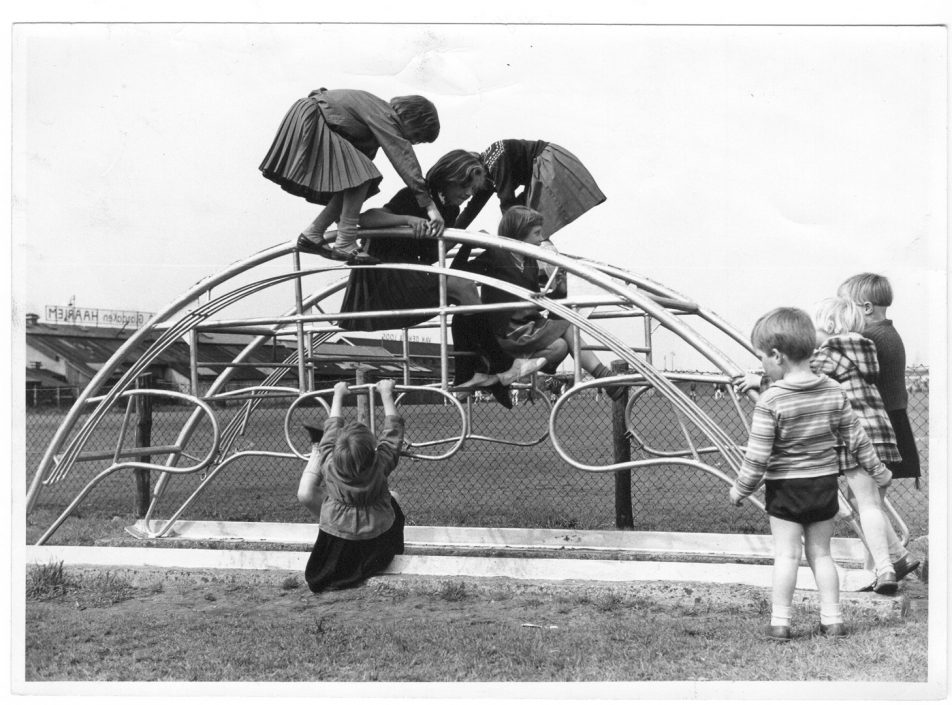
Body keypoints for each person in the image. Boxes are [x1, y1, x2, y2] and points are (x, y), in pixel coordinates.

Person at [729, 308, 892, 641]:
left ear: (777, 356)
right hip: (823, 486)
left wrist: (740, 489)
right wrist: (879, 471)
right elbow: (856, 438)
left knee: (787, 555)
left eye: (761, 356)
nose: (761, 363)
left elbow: (757, 458)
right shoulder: (833, 391)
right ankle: (832, 619)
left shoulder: (771, 400)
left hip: (785, 489)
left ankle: (780, 621)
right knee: (822, 554)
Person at [337, 149, 515, 409]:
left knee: (464, 291)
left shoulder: (449, 209)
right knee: (462, 287)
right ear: (449, 176)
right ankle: (499, 366)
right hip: (384, 278)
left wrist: (463, 241)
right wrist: (408, 220)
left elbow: (431, 255)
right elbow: (366, 218)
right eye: (465, 186)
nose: (467, 194)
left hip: (409, 275)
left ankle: (472, 372)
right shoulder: (417, 196)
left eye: (472, 191)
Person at [457, 206, 625, 399]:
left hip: (528, 326)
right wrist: (472, 242)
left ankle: (501, 377)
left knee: (560, 346)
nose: (540, 238)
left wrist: (559, 291)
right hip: (508, 331)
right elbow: (458, 272)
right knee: (567, 326)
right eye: (536, 233)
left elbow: (535, 305)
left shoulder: (530, 263)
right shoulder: (496, 255)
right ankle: (604, 376)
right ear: (519, 235)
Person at [260, 87, 443, 264]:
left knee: (357, 177)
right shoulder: (384, 114)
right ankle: (345, 241)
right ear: (411, 118)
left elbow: (351, 187)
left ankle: (313, 233)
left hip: (312, 117)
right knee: (363, 174)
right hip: (314, 116)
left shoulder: (371, 128)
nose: (413, 142)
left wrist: (343, 218)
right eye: (417, 135)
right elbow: (403, 156)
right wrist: (430, 208)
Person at [811, 297, 919, 592]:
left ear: (830, 326)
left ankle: (884, 569)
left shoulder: (831, 351)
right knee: (872, 504)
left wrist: (761, 382)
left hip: (857, 435)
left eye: (815, 328)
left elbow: (802, 377)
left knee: (867, 505)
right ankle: (899, 556)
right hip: (882, 432)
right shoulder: (867, 348)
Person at [296, 379, 406, 592]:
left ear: (335, 450)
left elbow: (329, 435)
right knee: (393, 497)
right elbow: (392, 435)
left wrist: (337, 394)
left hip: (340, 533)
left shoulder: (329, 464)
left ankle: (314, 446)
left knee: (320, 451)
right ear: (374, 449)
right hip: (376, 537)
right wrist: (385, 393)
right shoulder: (379, 465)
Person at [837, 274, 922, 491]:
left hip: (876, 426)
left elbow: (825, 369)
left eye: (845, 306)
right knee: (869, 498)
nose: (840, 313)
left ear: (866, 308)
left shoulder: (867, 339)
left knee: (863, 499)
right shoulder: (886, 333)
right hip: (890, 420)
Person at [454, 139, 606, 240]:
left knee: (528, 225)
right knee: (527, 224)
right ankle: (539, 268)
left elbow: (507, 201)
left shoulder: (494, 160)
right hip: (538, 170)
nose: (472, 192)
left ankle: (544, 269)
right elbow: (470, 211)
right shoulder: (485, 175)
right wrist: (452, 232)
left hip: (547, 162)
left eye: (473, 187)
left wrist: (509, 239)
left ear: (475, 171)